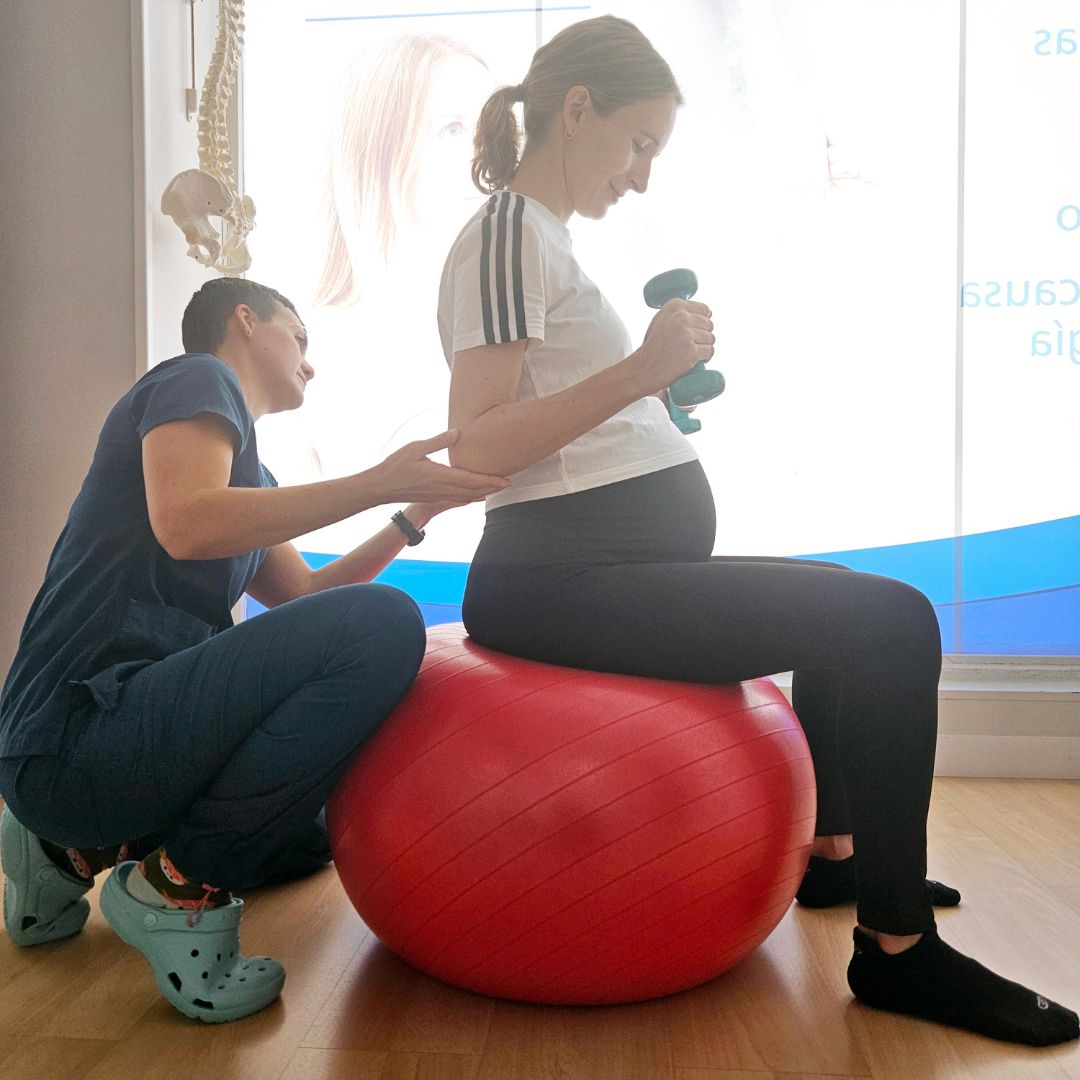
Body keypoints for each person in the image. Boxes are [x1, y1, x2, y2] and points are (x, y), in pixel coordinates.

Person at [436, 15, 1078, 1048]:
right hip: (557, 578)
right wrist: (639, 373)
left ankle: (835, 857)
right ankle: (899, 952)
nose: (641, 176)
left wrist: (652, 401)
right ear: (578, 108)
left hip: (604, 560)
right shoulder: (509, 229)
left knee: (843, 597)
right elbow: (475, 446)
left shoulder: (544, 240)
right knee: (895, 624)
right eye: (639, 142)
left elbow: (563, 413)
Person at [0, 276, 508, 1023]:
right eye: (300, 339)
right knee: (387, 622)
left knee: (305, 841)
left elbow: (308, 596)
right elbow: (186, 524)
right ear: (244, 319)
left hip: (103, 749)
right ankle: (174, 894)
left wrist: (412, 514)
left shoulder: (251, 477)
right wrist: (374, 481)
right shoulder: (195, 377)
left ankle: (60, 854)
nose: (310, 363)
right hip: (76, 733)